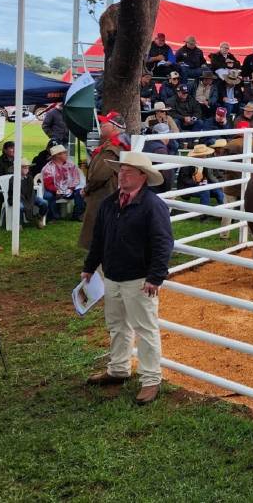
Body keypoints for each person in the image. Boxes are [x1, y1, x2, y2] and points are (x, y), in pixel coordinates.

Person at [82, 150, 175, 406]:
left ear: (142, 176)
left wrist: (155, 276)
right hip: (112, 275)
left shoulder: (152, 206)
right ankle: (119, 368)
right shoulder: (111, 203)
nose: (122, 175)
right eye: (121, 170)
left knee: (145, 329)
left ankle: (151, 379)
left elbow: (163, 243)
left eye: (128, 171)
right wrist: (90, 266)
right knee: (117, 326)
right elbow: (99, 238)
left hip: (139, 278)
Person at [79, 112, 130, 250]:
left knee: (98, 233)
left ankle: (98, 266)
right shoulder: (112, 145)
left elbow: (100, 175)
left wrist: (87, 189)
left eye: (104, 123)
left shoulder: (113, 148)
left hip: (103, 194)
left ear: (114, 127)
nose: (101, 125)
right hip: (104, 193)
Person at [41, 144, 86, 222]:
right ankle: (53, 217)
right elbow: (48, 184)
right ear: (57, 156)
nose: (66, 154)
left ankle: (77, 215)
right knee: (48, 195)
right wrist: (56, 191)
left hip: (69, 189)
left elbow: (76, 179)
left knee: (80, 192)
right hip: (55, 190)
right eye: (64, 153)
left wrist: (71, 188)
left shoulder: (71, 166)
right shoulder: (48, 168)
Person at [177, 144, 226, 209]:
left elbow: (210, 177)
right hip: (189, 188)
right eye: (204, 155)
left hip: (203, 186)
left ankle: (224, 212)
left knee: (217, 190)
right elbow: (185, 180)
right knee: (205, 191)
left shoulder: (205, 164)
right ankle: (204, 214)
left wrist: (218, 185)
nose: (205, 156)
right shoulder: (186, 165)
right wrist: (199, 184)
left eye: (205, 155)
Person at [7, 159, 48, 228]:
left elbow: (31, 192)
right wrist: (27, 203)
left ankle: (39, 218)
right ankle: (19, 224)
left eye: (27, 167)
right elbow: (16, 194)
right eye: (24, 167)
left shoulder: (29, 178)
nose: (26, 169)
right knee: (20, 206)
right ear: (17, 169)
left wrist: (30, 201)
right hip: (17, 198)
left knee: (44, 203)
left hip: (29, 197)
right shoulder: (13, 179)